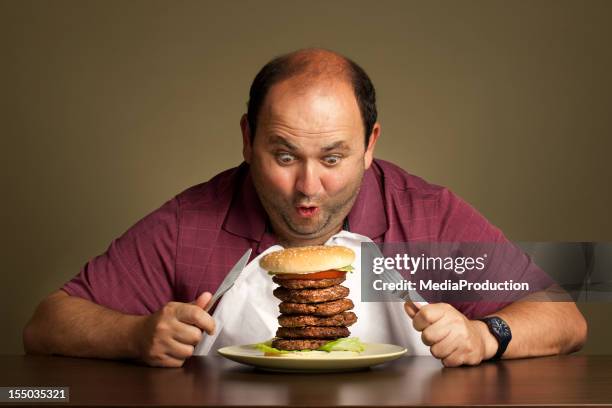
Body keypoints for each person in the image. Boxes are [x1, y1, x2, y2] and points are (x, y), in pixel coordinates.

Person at [23, 48, 587, 368]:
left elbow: (565, 317)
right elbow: (46, 323)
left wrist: (487, 336)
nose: (308, 187)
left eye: (335, 156)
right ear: (247, 140)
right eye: (284, 154)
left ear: (371, 145)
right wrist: (134, 335)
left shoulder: (427, 217)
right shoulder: (189, 220)